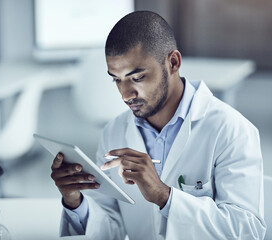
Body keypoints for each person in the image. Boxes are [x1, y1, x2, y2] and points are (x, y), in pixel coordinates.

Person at [50, 11, 266, 239]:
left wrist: (165, 196)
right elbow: (111, 227)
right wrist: (75, 202)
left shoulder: (231, 130)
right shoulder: (114, 132)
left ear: (173, 62)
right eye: (117, 79)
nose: (125, 95)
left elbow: (248, 231)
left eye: (137, 77)